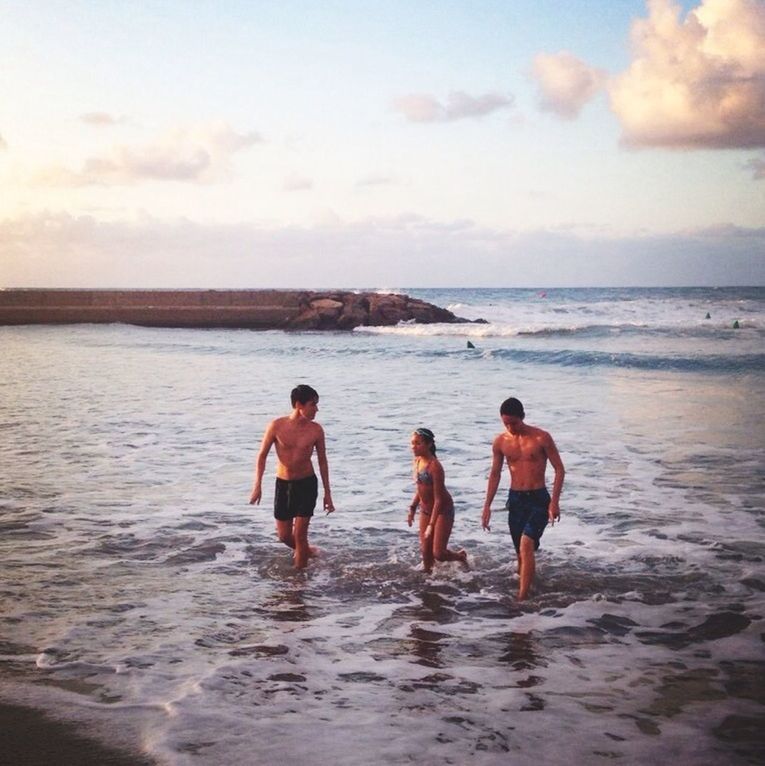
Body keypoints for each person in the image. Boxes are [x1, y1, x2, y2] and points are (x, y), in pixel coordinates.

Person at [481, 397, 564, 600]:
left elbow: (559, 470)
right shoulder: (501, 442)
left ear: (523, 417)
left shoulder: (541, 438)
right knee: (520, 552)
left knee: (526, 544)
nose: (510, 427)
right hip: (515, 500)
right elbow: (495, 474)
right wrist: (487, 506)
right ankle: (526, 584)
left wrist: (554, 502)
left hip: (538, 499)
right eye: (506, 423)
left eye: (514, 423)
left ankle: (522, 598)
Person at [249, 384, 334, 569]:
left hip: (307, 484)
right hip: (284, 485)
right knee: (284, 536)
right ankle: (308, 552)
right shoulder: (276, 426)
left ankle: (298, 582)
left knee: (300, 536)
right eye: (313, 404)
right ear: (298, 405)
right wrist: (258, 485)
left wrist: (328, 494)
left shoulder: (316, 430)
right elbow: (262, 455)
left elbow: (323, 462)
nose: (316, 409)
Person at [407, 428, 468, 573]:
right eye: (412, 443)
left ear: (428, 444)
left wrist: (431, 525)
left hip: (442, 510)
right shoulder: (417, 461)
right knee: (426, 554)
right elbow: (420, 488)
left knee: (438, 554)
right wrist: (412, 508)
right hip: (426, 509)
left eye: (418, 443)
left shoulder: (435, 467)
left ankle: (460, 556)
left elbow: (439, 499)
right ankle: (430, 584)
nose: (413, 447)